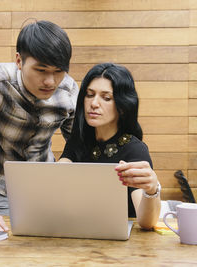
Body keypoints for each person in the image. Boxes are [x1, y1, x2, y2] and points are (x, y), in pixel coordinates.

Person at [0, 20, 79, 232]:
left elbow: (79, 144)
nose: (50, 81)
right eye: (41, 70)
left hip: (49, 188)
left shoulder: (68, 90)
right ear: (19, 60)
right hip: (2, 187)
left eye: (58, 71)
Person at [59, 63, 161, 230]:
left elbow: (146, 222)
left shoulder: (134, 150)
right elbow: (60, 177)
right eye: (90, 95)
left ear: (122, 106)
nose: (94, 104)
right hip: (80, 232)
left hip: (119, 241)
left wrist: (152, 190)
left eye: (106, 98)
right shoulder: (78, 140)